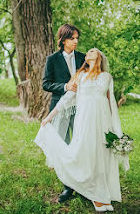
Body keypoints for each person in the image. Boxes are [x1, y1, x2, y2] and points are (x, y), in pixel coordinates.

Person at [35, 48, 129, 212]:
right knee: (86, 151)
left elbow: (110, 102)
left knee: (101, 152)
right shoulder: (80, 76)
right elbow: (67, 99)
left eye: (93, 51)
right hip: (85, 120)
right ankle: (92, 191)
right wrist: (49, 117)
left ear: (99, 57)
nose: (89, 52)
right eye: (88, 51)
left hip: (102, 119)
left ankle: (102, 192)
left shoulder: (107, 77)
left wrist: (115, 127)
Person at [42, 23, 86, 202]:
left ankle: (83, 186)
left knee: (80, 145)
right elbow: (46, 84)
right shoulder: (52, 59)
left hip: (81, 108)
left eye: (77, 38)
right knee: (64, 146)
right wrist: (65, 87)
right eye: (72, 38)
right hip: (59, 107)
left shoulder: (83, 58)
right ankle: (68, 187)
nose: (75, 41)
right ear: (63, 40)